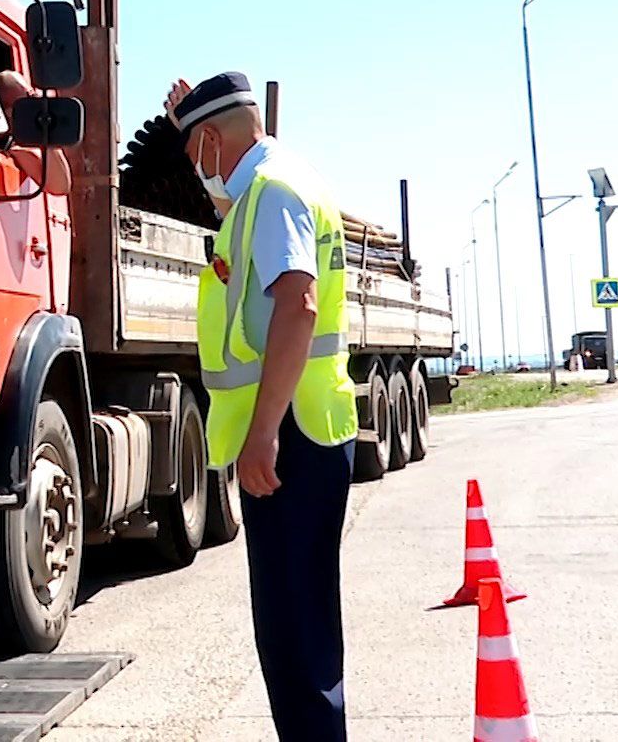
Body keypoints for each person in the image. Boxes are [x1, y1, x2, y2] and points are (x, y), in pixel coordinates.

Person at [166, 71, 358, 741]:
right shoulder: (278, 182)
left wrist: (263, 433)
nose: (198, 171)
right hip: (308, 430)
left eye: (195, 153)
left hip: (291, 440)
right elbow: (240, 235)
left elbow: (296, 305)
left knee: (293, 635)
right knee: (297, 631)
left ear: (214, 139)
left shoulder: (272, 195)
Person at [0, 70, 71, 194]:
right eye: (30, 97)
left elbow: (61, 187)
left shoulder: (22, 144)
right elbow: (58, 186)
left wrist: (46, 134)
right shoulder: (17, 148)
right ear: (8, 111)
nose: (36, 102)